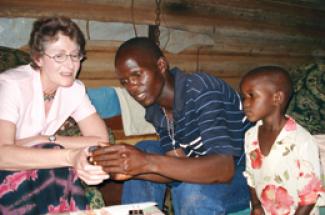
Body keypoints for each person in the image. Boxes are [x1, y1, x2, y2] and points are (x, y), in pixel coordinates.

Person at [91, 37, 252, 214]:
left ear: (161, 66)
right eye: (125, 82)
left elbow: (224, 168)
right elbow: (178, 164)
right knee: (143, 149)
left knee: (191, 192)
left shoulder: (202, 90)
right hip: (202, 165)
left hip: (246, 174)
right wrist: (129, 169)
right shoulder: (155, 110)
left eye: (137, 75)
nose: (132, 87)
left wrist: (146, 163)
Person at [0, 16, 109, 215]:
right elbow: (2, 155)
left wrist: (44, 139)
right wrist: (68, 155)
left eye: (75, 55)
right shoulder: (12, 85)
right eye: (59, 56)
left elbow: (101, 141)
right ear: (38, 58)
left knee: (50, 150)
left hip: (35, 171)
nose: (70, 65)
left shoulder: (74, 90)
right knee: (53, 155)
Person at [239, 66, 325, 215]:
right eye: (244, 97)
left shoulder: (302, 141)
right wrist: (256, 205)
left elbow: (310, 196)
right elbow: (251, 177)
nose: (245, 103)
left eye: (251, 95)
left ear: (277, 98)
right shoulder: (250, 136)